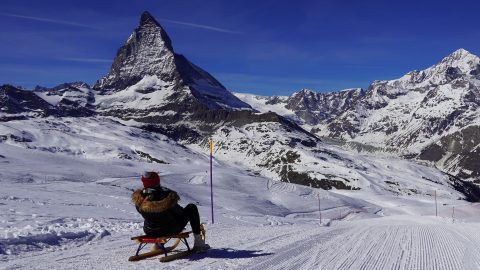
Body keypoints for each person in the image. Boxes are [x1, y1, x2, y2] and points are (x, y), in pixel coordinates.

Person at [132, 171, 210, 252]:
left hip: (150, 231)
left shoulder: (139, 198)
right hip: (169, 230)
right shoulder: (166, 195)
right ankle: (198, 243)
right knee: (192, 207)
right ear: (157, 181)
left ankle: (158, 245)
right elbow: (180, 212)